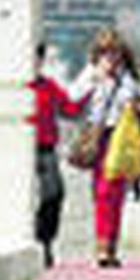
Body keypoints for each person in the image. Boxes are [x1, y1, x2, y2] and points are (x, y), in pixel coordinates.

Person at [69, 29, 140, 268]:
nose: (110, 57)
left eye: (114, 52)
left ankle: (111, 245)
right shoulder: (91, 73)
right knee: (102, 191)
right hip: (97, 136)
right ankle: (103, 247)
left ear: (122, 53)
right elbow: (72, 98)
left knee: (115, 192)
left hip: (121, 138)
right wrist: (96, 78)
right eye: (105, 52)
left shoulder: (128, 79)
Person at [28, 41, 80, 268]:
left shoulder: (48, 86)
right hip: (18, 150)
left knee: (54, 193)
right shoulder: (15, 89)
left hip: (45, 149)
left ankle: (44, 239)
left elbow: (70, 109)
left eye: (37, 58)